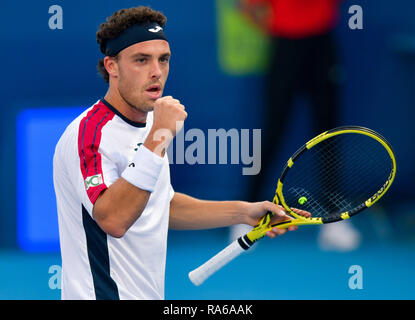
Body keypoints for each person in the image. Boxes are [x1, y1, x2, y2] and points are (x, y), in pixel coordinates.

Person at [53, 6, 309, 300]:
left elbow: (159, 205)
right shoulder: (89, 135)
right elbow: (114, 219)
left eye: (163, 60)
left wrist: (244, 211)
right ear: (112, 66)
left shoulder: (151, 124)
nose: (156, 72)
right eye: (141, 60)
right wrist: (159, 137)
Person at [232, 0, 361, 250]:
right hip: (285, 47)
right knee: (271, 133)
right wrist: (275, 29)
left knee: (328, 135)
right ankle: (246, 215)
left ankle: (334, 219)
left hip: (322, 47)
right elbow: (245, 6)